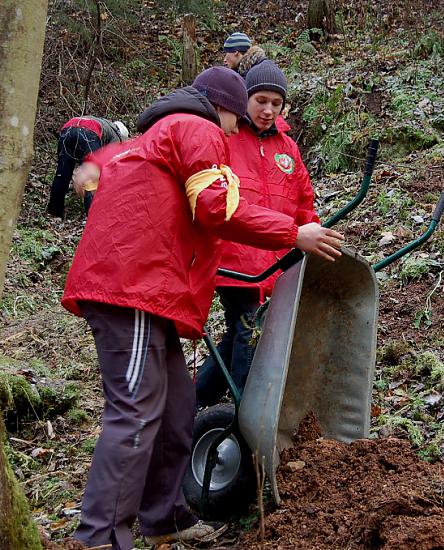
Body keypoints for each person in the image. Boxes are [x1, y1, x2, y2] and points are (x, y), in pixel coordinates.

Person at [62, 66, 344, 550]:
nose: (236, 132)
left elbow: (111, 171)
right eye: (237, 118)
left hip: (151, 295)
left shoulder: (164, 131)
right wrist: (292, 234)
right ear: (227, 107)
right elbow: (215, 208)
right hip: (130, 289)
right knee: (134, 412)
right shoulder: (198, 128)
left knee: (175, 410)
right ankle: (99, 538)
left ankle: (164, 518)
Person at [194, 60, 318, 409]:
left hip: (277, 261)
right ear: (245, 98)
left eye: (275, 103)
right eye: (260, 100)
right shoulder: (228, 138)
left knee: (240, 334)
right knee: (249, 332)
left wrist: (314, 232)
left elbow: (303, 202)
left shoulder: (287, 149)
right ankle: (245, 411)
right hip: (235, 262)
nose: (268, 110)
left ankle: (192, 402)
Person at [46, 116, 129, 218]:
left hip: (67, 129)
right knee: (91, 177)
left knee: (62, 173)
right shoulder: (116, 135)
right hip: (88, 132)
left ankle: (54, 212)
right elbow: (111, 162)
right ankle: (92, 215)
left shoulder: (103, 123)